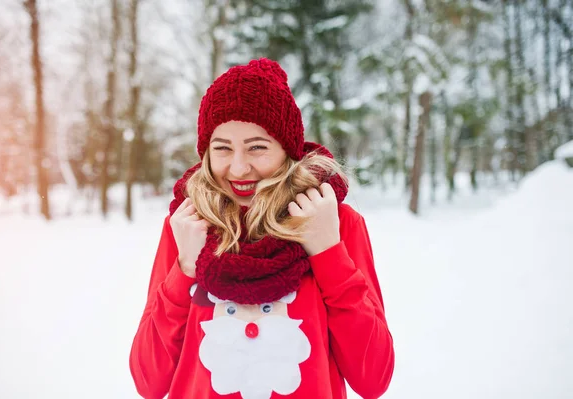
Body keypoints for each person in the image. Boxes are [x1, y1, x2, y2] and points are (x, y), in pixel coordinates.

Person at [129, 58, 394, 399]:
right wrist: (184, 270)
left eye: (257, 147)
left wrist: (328, 253)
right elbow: (148, 381)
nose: (239, 168)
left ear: (287, 150)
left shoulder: (335, 223)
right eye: (222, 148)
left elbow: (373, 378)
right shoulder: (187, 226)